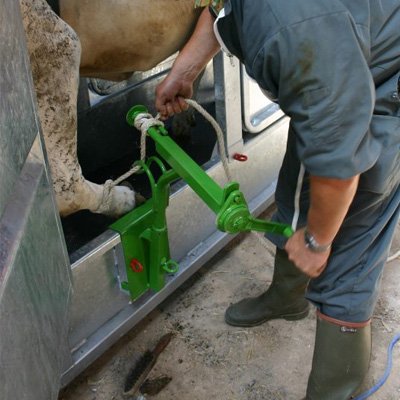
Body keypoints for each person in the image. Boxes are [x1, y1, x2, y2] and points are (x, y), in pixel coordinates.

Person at [155, 1, 400, 398]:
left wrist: (318, 242)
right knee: (298, 193)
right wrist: (184, 72)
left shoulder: (301, 31)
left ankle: (335, 389)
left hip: (387, 94)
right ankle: (287, 299)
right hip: (342, 74)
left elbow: (340, 166)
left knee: (350, 253)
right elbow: (226, 11)